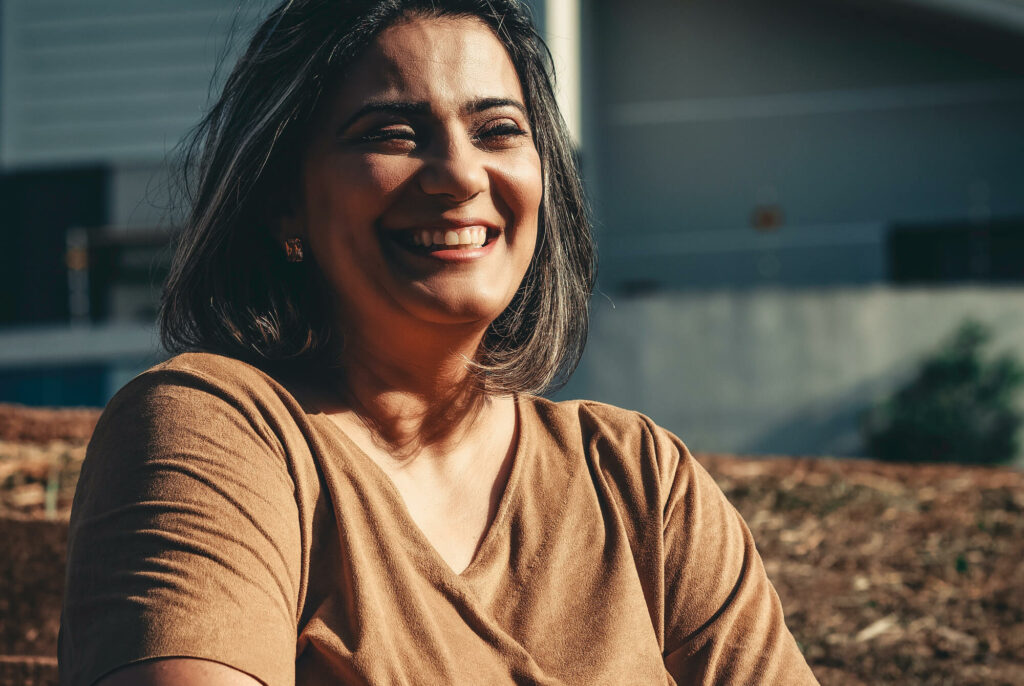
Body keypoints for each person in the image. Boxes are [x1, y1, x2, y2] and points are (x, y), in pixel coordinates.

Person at [59, 1, 820, 684]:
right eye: (392, 133)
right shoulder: (217, 434)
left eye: (497, 131)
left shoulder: (642, 483)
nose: (459, 174)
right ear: (283, 201)